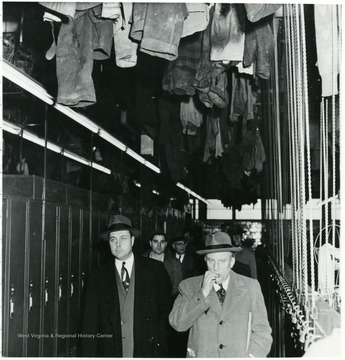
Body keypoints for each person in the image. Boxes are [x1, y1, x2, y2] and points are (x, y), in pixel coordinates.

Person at [169, 231, 273, 358]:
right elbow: (177, 324)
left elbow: (262, 331)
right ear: (205, 260)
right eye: (211, 261)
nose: (216, 267)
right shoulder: (189, 286)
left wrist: (252, 356)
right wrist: (203, 293)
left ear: (232, 262)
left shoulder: (251, 287)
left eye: (222, 261)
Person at [81, 215, 172, 357]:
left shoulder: (155, 270)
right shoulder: (97, 276)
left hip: (146, 350)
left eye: (123, 238)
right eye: (113, 240)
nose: (118, 244)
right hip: (111, 351)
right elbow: (89, 323)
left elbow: (165, 313)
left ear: (132, 240)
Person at [142, 229, 182, 298]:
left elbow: (177, 288)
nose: (159, 245)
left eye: (162, 242)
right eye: (155, 242)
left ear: (166, 244)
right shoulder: (142, 260)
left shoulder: (174, 263)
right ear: (150, 243)